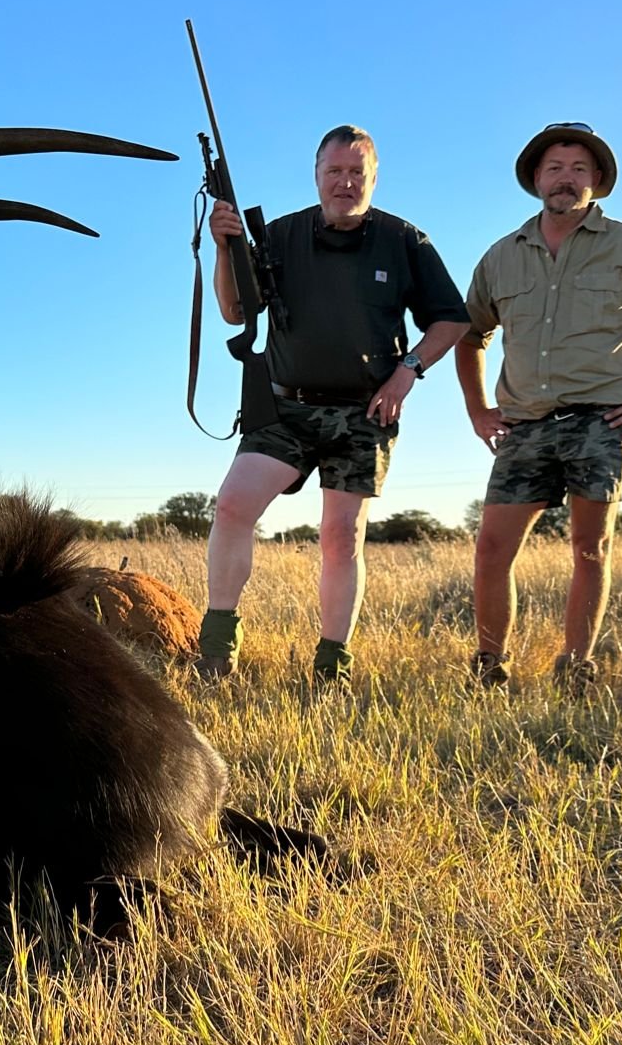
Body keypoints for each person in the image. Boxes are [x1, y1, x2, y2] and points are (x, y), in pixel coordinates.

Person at [199, 125, 470, 686]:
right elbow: (232, 309)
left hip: (365, 411)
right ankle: (219, 642)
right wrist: (225, 246)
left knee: (340, 535)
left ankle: (331, 663)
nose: (345, 182)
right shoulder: (277, 236)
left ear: (372, 178)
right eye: (334, 172)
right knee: (232, 507)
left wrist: (406, 373)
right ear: (317, 175)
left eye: (356, 173)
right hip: (285, 407)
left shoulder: (404, 240)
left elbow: (451, 320)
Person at [454, 123, 622, 692]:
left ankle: (576, 667)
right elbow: (470, 335)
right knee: (492, 548)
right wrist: (477, 410)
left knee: (589, 548)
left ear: (595, 180)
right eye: (554, 168)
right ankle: (490, 667)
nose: (565, 179)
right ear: (536, 179)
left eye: (578, 169)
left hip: (602, 419)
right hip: (522, 422)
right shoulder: (502, 256)